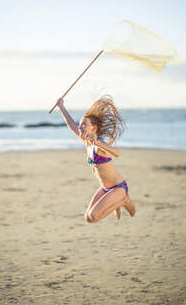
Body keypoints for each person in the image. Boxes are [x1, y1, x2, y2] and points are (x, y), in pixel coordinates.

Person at [56, 95, 135, 223]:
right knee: (89, 218)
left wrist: (98, 143)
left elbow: (117, 153)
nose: (80, 127)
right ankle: (117, 202)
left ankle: (124, 200)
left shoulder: (99, 144)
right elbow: (71, 125)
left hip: (118, 187)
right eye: (80, 124)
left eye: (84, 125)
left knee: (95, 216)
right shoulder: (86, 142)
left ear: (94, 128)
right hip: (105, 188)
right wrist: (61, 107)